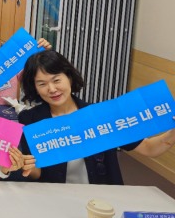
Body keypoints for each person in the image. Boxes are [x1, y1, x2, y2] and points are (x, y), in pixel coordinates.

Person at [17, 50, 175, 184]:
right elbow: (37, 173)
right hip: (55, 200)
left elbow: (149, 148)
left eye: (56, 80)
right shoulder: (31, 120)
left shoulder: (101, 115)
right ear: (35, 88)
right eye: (42, 84)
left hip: (102, 201)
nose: (52, 89)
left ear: (69, 77)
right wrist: (26, 166)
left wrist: (172, 133)